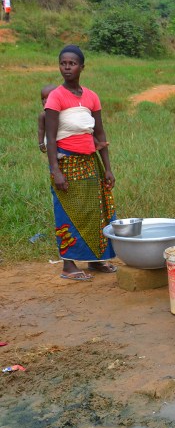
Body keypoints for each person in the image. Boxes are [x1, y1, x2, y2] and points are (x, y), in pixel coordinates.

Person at [45, 45, 118, 281]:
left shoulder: (91, 96)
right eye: (63, 63)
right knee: (68, 213)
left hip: (90, 163)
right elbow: (51, 137)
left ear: (82, 67)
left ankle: (96, 260)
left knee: (96, 212)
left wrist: (107, 168)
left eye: (72, 63)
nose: (67, 67)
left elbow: (100, 134)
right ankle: (68, 265)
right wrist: (56, 171)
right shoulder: (56, 96)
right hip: (66, 163)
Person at [37, 84, 57, 153]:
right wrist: (41, 143)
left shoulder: (62, 112)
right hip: (50, 142)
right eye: (43, 98)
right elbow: (41, 129)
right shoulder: (43, 115)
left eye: (48, 97)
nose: (45, 101)